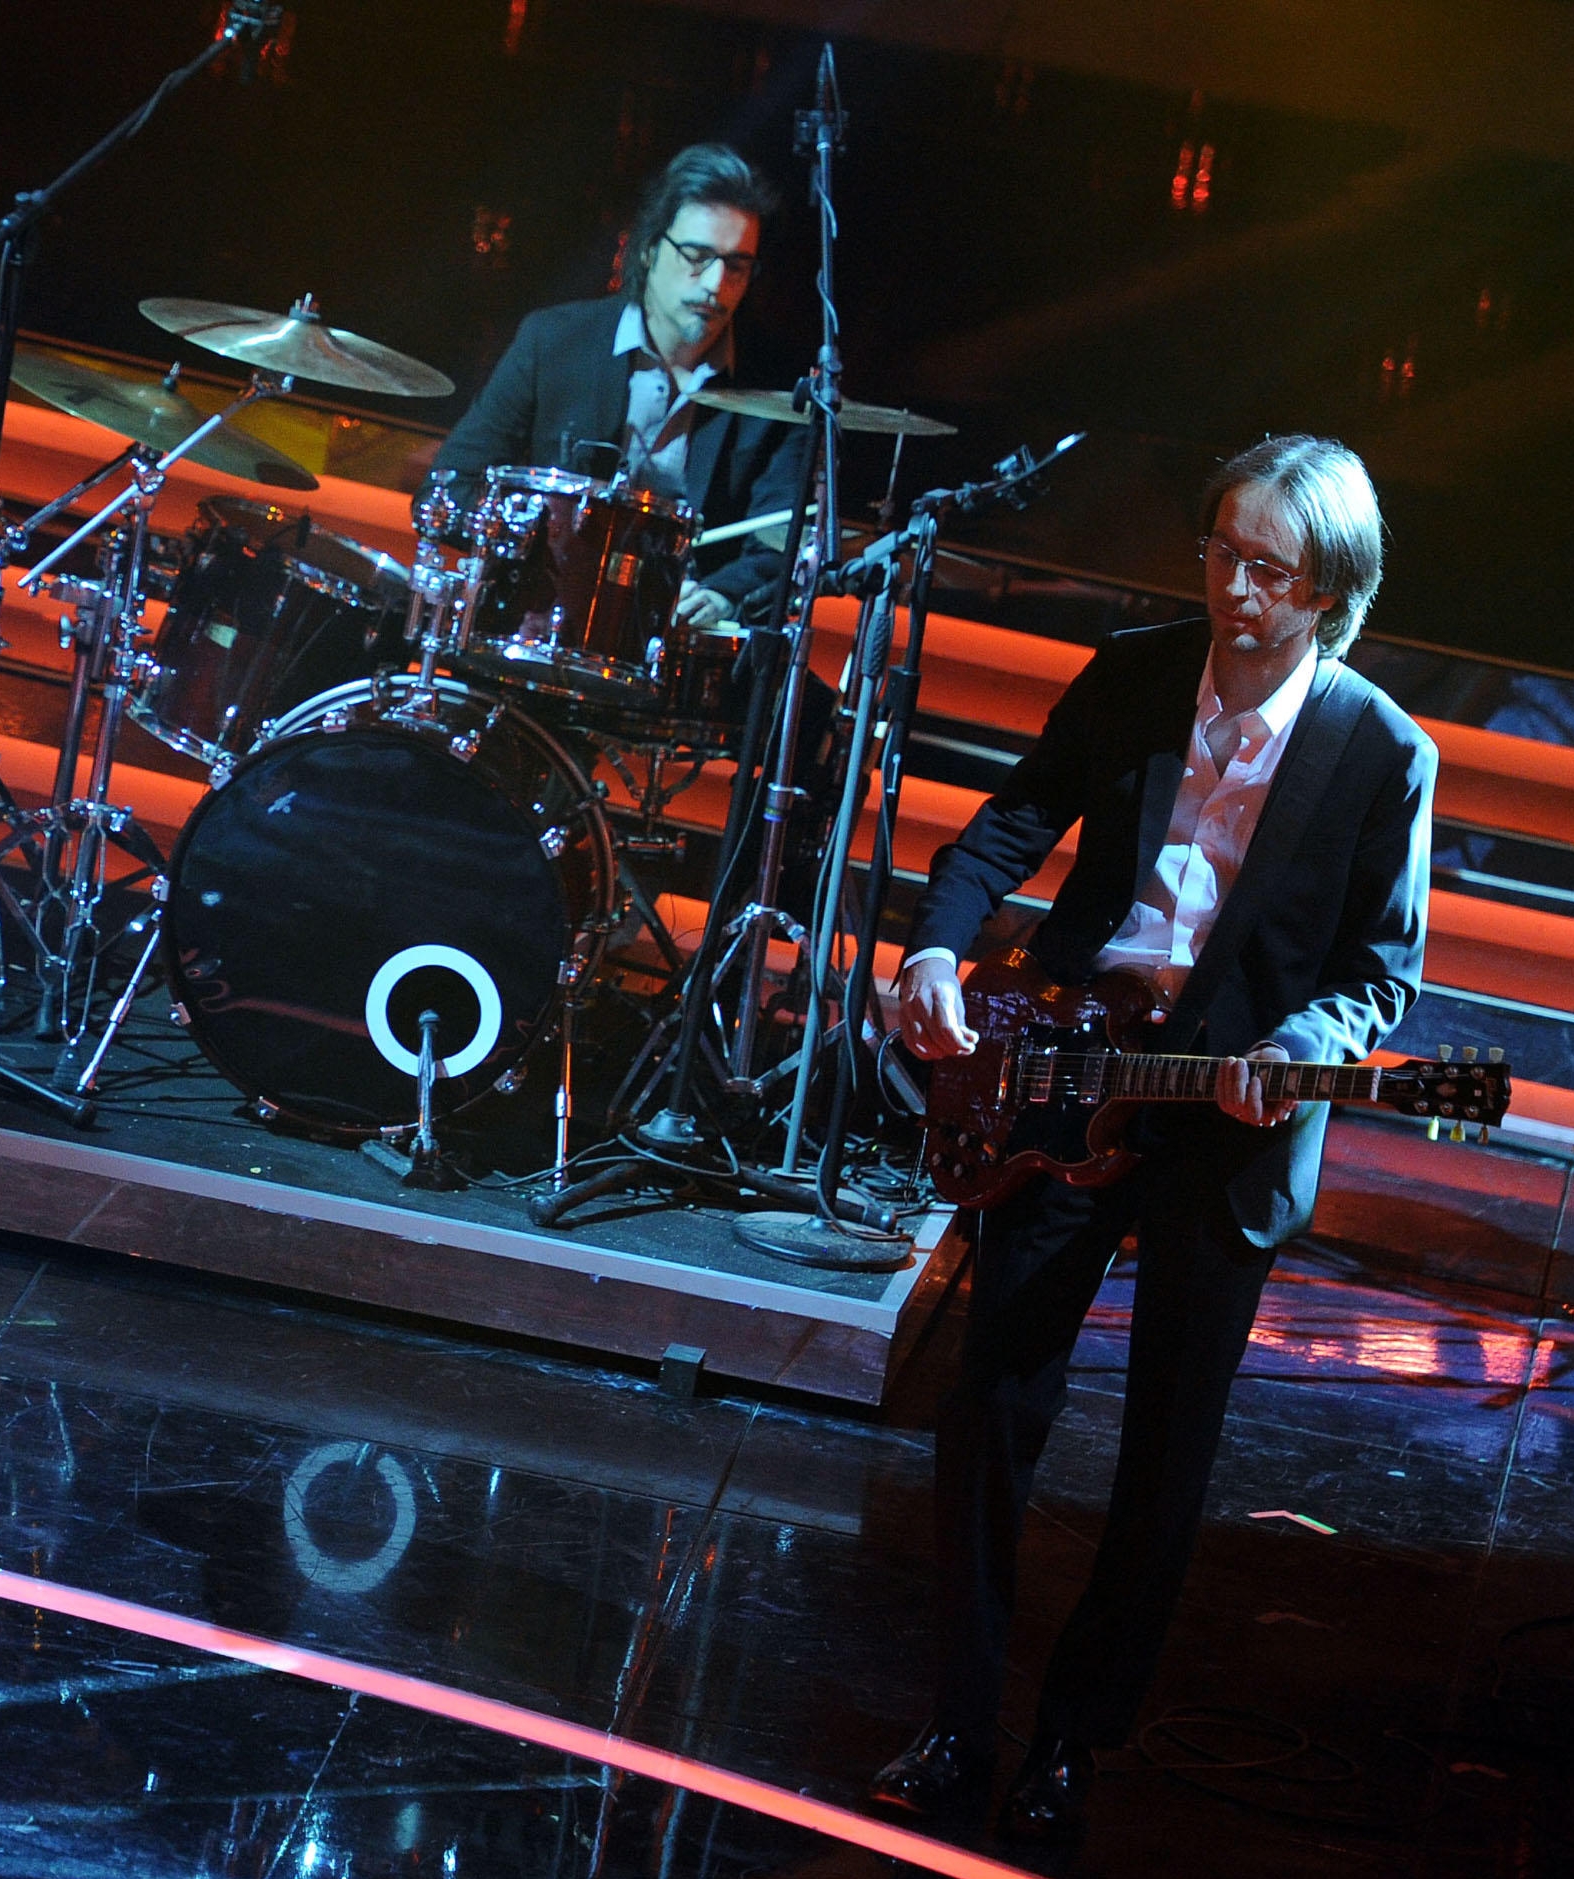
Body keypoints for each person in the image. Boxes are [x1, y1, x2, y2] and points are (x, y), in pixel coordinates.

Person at [867, 436, 1434, 1840]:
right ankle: (960, 1714)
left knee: (1165, 1447)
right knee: (992, 1397)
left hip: (1224, 1115)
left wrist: (1298, 1051)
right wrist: (937, 951)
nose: (1234, 588)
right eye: (1219, 551)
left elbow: (1381, 968)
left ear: (1330, 589)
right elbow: (1010, 822)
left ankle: (1073, 1737)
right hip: (1069, 1063)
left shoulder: (1379, 749)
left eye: (1269, 569)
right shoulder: (1134, 671)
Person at [429, 141, 809, 624]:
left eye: (736, 266)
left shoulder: (778, 387)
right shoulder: (554, 340)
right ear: (648, 249)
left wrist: (720, 595)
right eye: (696, 255)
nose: (716, 284)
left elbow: (784, 538)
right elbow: (450, 486)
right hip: (542, 619)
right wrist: (533, 552)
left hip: (675, 645)